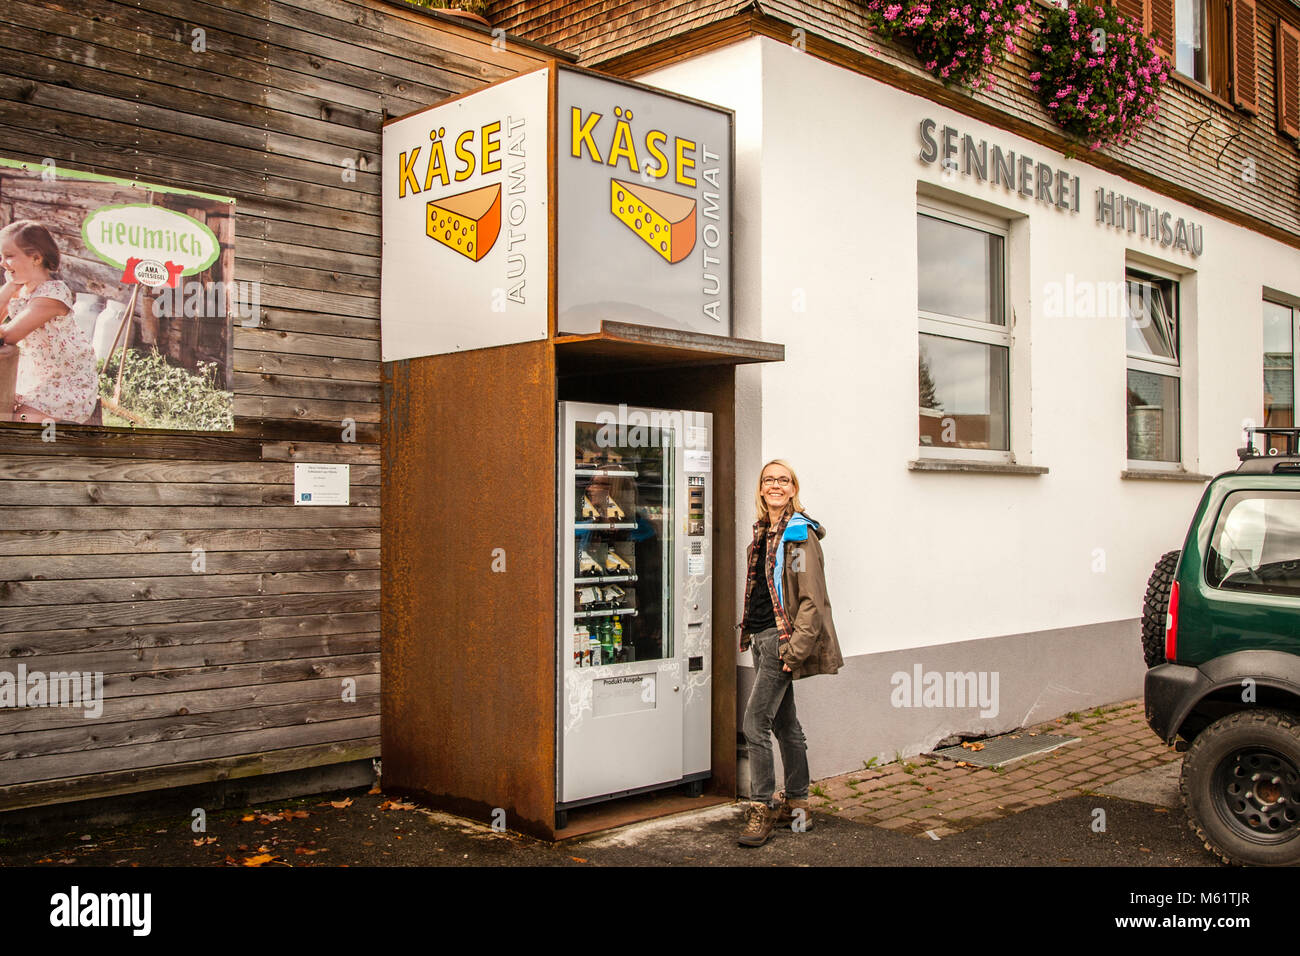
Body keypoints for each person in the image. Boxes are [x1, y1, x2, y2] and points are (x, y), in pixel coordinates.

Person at [737, 458, 843, 847]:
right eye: (769, 480)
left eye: (784, 480)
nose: (776, 486)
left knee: (755, 724)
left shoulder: (797, 536)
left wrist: (795, 649)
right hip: (761, 638)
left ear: (793, 489)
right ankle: (798, 804)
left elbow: (810, 598)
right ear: (762, 489)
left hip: (782, 640)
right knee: (785, 725)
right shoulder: (764, 533)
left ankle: (760, 807)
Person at [0, 220, 98, 424]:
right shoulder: (21, 290)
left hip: (67, 380)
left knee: (17, 426)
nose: (2, 263)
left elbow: (9, 335)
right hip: (36, 374)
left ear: (36, 258)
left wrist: (10, 290)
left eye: (9, 256)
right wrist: (9, 289)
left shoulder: (52, 293)